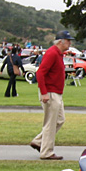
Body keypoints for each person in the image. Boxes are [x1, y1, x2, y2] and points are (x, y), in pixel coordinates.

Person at [29, 30, 72, 160]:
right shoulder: (52, 53)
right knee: (50, 123)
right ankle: (46, 152)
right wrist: (44, 92)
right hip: (50, 92)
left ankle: (38, 141)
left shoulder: (58, 54)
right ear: (61, 41)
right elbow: (40, 73)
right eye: (68, 40)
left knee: (59, 120)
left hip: (56, 92)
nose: (70, 43)